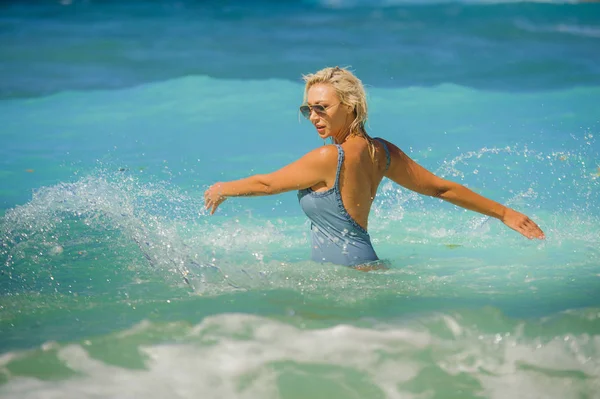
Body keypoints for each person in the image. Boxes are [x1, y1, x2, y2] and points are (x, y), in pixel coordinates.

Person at [204, 66, 545, 268]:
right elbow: (441, 188)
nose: (313, 117)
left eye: (322, 108)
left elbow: (267, 185)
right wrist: (504, 213)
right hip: (364, 265)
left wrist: (223, 188)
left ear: (350, 106)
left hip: (343, 277)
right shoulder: (381, 152)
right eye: (307, 109)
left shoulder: (327, 157)